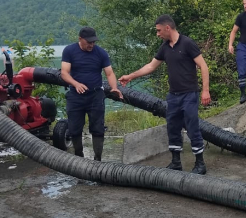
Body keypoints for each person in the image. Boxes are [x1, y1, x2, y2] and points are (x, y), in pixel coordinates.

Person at [119, 15, 211, 174]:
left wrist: (205, 90)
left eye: (159, 30)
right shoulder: (165, 47)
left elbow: (203, 66)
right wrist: (131, 76)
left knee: (192, 126)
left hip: (189, 94)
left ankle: (200, 164)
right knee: (173, 127)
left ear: (168, 28)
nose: (158, 34)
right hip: (173, 96)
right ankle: (176, 162)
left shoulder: (187, 43)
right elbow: (150, 66)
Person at [60, 26, 122, 161]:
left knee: (98, 128)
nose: (91, 44)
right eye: (89, 42)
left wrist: (114, 87)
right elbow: (64, 73)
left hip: (95, 95)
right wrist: (75, 84)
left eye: (94, 42)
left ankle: (97, 159)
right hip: (76, 95)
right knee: (74, 127)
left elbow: (109, 73)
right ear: (80, 39)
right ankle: (79, 156)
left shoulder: (101, 53)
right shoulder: (69, 51)